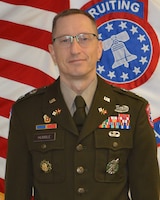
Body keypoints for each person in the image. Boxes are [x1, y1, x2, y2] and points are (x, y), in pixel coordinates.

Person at [5, 8, 159, 200]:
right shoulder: (26, 112)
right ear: (52, 52)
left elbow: (147, 193)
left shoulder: (133, 110)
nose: (75, 49)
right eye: (65, 40)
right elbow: (16, 193)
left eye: (84, 38)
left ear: (99, 48)